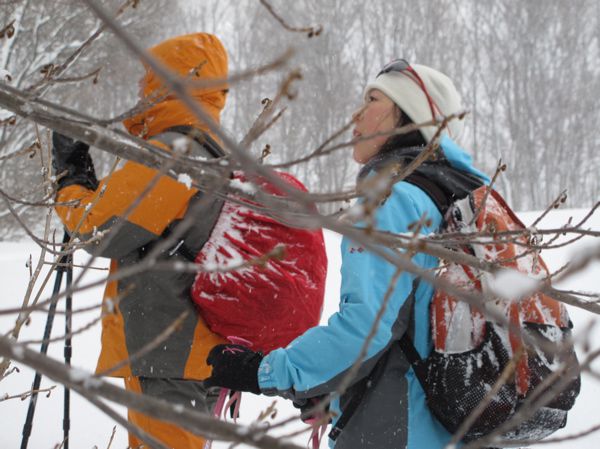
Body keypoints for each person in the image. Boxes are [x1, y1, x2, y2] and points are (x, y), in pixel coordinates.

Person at [52, 33, 327, 448]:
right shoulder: (214, 151)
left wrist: (72, 179)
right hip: (195, 351)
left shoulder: (175, 153)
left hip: (169, 353)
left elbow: (97, 228)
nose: (140, 90)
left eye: (148, 79)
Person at [205, 59, 491, 448]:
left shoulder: (390, 200)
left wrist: (263, 371)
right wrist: (328, 391)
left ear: (411, 119)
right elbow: (412, 330)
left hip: (394, 431)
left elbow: (365, 329)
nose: (354, 113)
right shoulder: (458, 200)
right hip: (454, 425)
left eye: (372, 99)